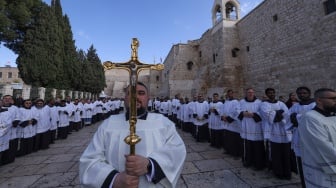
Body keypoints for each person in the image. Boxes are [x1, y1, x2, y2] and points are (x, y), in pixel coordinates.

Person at [79, 82, 186, 188]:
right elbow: (89, 160)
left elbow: (177, 150)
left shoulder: (163, 123)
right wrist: (115, 179)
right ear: (125, 98)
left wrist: (150, 164)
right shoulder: (108, 124)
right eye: (131, 93)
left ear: (148, 98)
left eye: (141, 93)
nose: (136, 97)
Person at [299, 88, 336, 187]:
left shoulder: (333, 115)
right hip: (322, 173)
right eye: (333, 98)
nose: (335, 101)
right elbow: (324, 148)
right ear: (319, 100)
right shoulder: (311, 118)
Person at [286, 86, 315, 188]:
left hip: (312, 137)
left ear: (309, 93)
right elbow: (288, 117)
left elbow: (312, 118)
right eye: (300, 93)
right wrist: (294, 117)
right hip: (298, 136)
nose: (302, 95)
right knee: (301, 162)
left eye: (304, 93)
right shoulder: (295, 106)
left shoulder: (315, 105)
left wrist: (296, 116)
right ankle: (304, 184)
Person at [260, 88, 291, 179]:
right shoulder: (264, 104)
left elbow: (287, 114)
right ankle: (278, 172)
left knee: (286, 152)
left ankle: (287, 171)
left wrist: (275, 113)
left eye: (273, 92)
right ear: (266, 94)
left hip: (283, 130)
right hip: (272, 130)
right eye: (269, 93)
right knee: (275, 152)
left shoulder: (281, 103)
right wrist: (279, 112)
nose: (272, 94)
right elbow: (266, 115)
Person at [238, 88, 265, 170]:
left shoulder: (259, 102)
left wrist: (253, 114)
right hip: (246, 126)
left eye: (252, 92)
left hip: (256, 127)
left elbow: (263, 112)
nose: (250, 94)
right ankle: (247, 161)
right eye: (249, 92)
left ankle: (258, 163)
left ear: (254, 93)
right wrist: (243, 113)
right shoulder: (241, 102)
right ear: (246, 93)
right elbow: (237, 110)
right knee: (247, 145)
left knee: (257, 146)